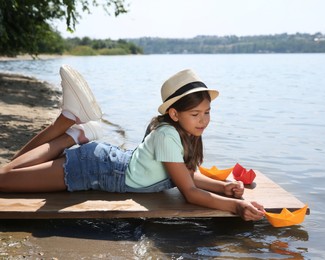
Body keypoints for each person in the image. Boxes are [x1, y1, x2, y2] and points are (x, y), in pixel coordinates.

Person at [0, 65, 265, 221]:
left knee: (8, 173)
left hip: (105, 162)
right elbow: (190, 192)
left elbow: (187, 176)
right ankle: (67, 126)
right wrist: (236, 207)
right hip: (93, 168)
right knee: (2, 179)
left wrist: (224, 187)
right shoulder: (167, 135)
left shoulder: (182, 133)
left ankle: (72, 132)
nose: (203, 120)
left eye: (207, 112)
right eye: (195, 114)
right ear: (174, 114)